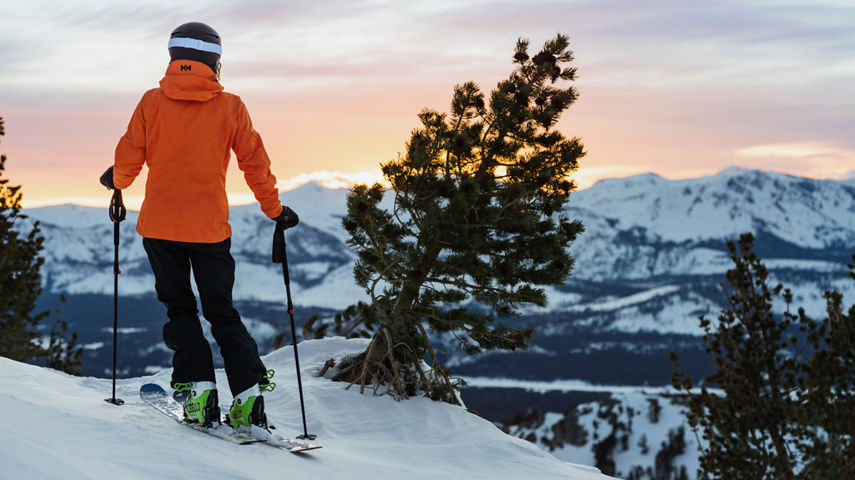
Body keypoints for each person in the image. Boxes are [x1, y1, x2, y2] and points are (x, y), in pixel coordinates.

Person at [99, 22, 298, 429]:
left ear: (174, 58)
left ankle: (198, 391)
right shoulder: (231, 107)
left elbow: (129, 158)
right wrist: (274, 210)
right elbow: (255, 164)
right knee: (222, 312)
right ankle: (248, 399)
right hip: (209, 230)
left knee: (180, 308)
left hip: (158, 228)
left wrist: (116, 182)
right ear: (214, 62)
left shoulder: (152, 102)